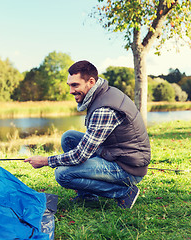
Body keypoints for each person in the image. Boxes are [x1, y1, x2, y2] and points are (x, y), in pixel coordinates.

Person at [24, 60, 150, 209]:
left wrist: (46, 161)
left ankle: (123, 192)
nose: (71, 91)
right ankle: (88, 196)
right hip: (114, 153)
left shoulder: (104, 108)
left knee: (63, 174)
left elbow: (80, 156)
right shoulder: (102, 94)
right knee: (69, 137)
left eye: (75, 85)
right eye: (69, 85)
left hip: (128, 167)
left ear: (91, 82)